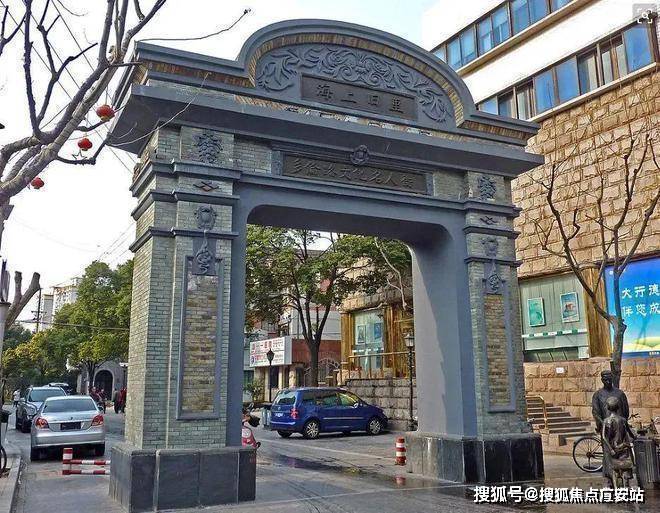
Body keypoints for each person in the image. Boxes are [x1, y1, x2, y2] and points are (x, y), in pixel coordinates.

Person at [601, 396, 635, 488]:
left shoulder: (606, 421)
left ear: (608, 407)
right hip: (623, 447)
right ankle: (626, 483)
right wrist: (634, 438)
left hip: (613, 447)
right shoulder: (623, 420)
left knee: (612, 466)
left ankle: (612, 483)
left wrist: (611, 449)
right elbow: (629, 433)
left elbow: (604, 437)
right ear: (618, 407)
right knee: (626, 465)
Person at [591, 370, 629, 434]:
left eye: (609, 379)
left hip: (620, 427)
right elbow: (596, 413)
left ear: (612, 379)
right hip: (606, 428)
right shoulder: (597, 395)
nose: (608, 382)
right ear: (602, 380)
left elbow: (626, 411)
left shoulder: (620, 394)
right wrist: (604, 424)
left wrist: (622, 423)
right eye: (605, 380)